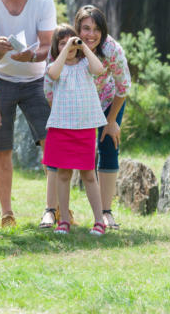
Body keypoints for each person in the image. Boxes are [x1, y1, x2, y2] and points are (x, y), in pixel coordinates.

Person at [0, 0, 57, 227]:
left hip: (35, 80)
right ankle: (7, 213)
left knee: (51, 141)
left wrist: (33, 55)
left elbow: (47, 46)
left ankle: (53, 208)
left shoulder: (43, 0)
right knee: (0, 148)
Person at [41, 24, 107, 236]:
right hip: (61, 127)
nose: (69, 45)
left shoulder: (86, 64)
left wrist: (83, 47)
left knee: (89, 174)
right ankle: (64, 220)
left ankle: (99, 220)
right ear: (56, 47)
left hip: (84, 128)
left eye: (72, 41)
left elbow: (100, 70)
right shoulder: (54, 66)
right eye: (62, 43)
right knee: (62, 174)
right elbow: (53, 74)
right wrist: (64, 49)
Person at [74, 4, 131, 230]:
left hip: (107, 102)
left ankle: (106, 212)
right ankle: (57, 209)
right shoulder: (69, 46)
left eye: (96, 29)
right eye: (86, 28)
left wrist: (112, 121)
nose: (91, 34)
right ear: (77, 28)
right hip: (77, 104)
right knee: (69, 154)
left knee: (109, 148)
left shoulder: (111, 50)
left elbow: (123, 86)